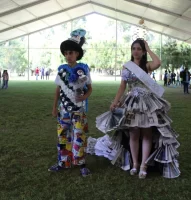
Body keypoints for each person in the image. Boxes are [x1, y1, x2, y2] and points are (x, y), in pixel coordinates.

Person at [94, 39, 180, 179]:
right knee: (133, 133)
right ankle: (135, 164)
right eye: (134, 48)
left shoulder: (147, 65)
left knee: (147, 134)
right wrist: (116, 101)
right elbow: (123, 86)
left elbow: (158, 62)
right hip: (131, 103)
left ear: (143, 51)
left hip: (147, 103)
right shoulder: (126, 67)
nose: (136, 51)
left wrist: (149, 48)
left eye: (139, 48)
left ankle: (144, 165)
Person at [48, 29, 92, 177]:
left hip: (79, 110)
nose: (68, 56)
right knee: (63, 135)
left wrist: (85, 96)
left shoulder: (84, 69)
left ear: (77, 54)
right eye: (66, 53)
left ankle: (81, 163)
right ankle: (63, 162)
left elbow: (90, 88)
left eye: (71, 53)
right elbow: (57, 90)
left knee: (79, 135)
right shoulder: (61, 71)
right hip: (64, 110)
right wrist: (54, 107)